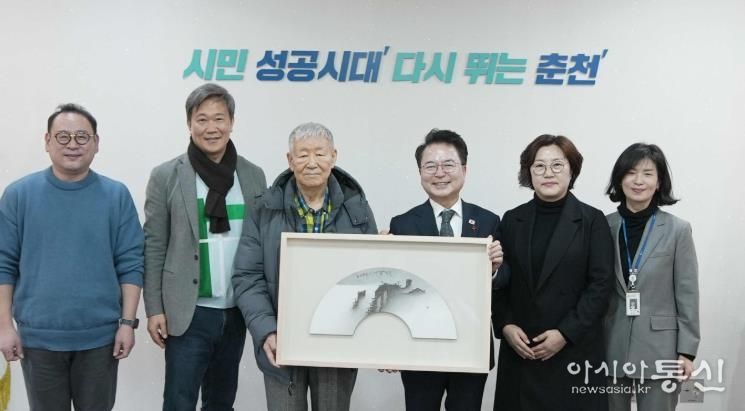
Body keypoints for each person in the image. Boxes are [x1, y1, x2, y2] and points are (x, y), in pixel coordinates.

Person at [0, 103, 144, 411]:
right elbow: (4, 265)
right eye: (63, 137)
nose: (73, 144)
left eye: (82, 136)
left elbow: (131, 263)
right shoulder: (18, 195)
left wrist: (127, 323)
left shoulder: (116, 195)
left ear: (96, 142)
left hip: (100, 339)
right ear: (47, 141)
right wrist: (4, 327)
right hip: (38, 339)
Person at [233, 122, 377, 411]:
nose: (312, 162)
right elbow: (247, 277)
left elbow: (372, 276)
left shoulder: (357, 209)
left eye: (320, 154)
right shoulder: (264, 209)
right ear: (290, 160)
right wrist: (267, 330)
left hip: (338, 344)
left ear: (333, 157)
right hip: (282, 342)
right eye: (302, 154)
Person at [143, 83, 266, 410]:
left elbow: (261, 243)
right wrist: (154, 308)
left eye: (219, 118)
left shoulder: (253, 176)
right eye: (202, 119)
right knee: (179, 401)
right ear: (189, 124)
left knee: (222, 400)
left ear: (232, 122)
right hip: (188, 310)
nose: (211, 128)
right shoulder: (166, 175)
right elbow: (154, 245)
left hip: (236, 310)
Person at [492, 134, 614, 410]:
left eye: (557, 165)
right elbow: (498, 280)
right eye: (539, 166)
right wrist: (505, 325)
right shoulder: (512, 219)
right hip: (521, 351)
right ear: (529, 173)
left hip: (573, 351)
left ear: (572, 170)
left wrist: (565, 333)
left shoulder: (591, 220)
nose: (548, 173)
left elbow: (600, 286)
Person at [388, 129, 504, 410]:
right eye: (430, 166)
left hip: (471, 345)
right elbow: (393, 289)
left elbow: (506, 281)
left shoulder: (488, 221)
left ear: (464, 169)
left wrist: (494, 269)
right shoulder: (402, 224)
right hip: (418, 346)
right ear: (420, 172)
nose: (439, 173)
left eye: (448, 164)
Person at [604, 143, 699, 411]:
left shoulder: (678, 230)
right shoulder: (603, 226)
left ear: (658, 183)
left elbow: (688, 293)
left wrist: (687, 351)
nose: (638, 181)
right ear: (620, 179)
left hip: (662, 349)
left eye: (647, 174)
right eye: (631, 172)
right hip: (611, 344)